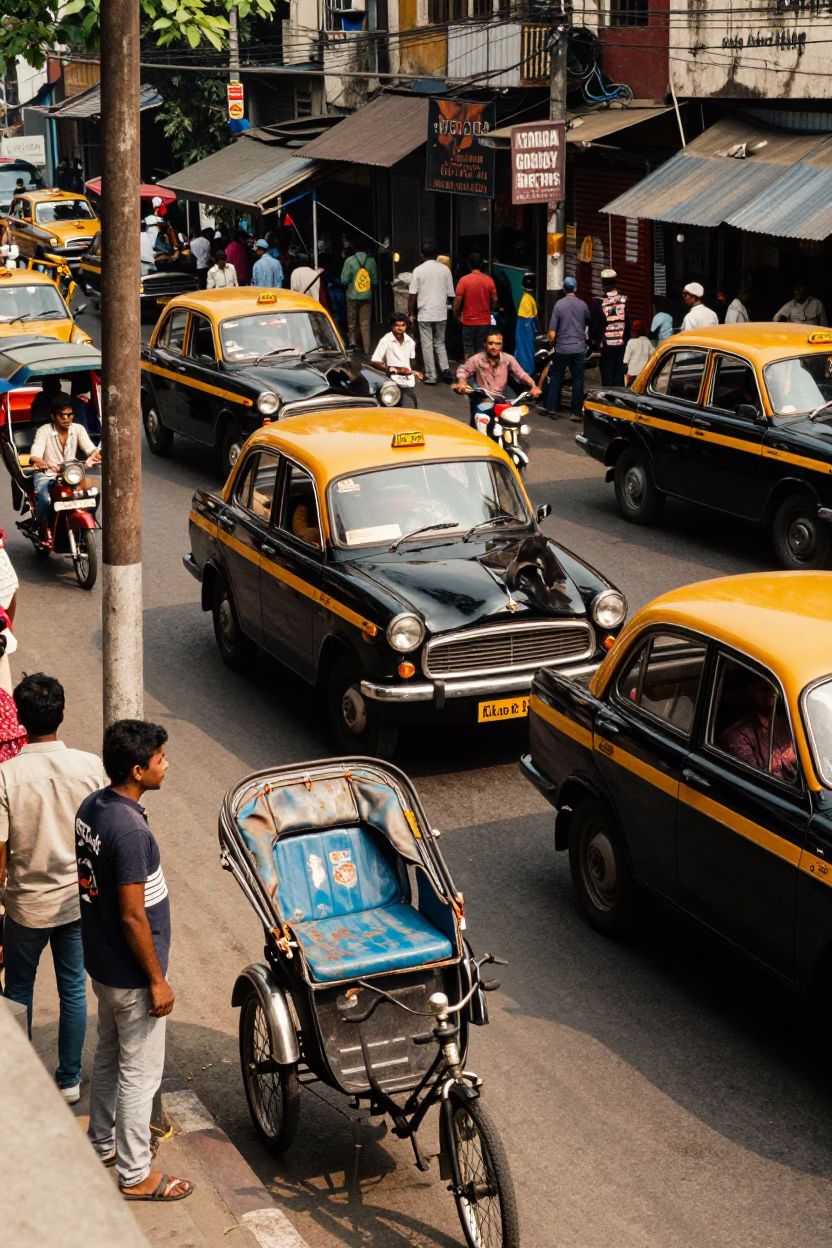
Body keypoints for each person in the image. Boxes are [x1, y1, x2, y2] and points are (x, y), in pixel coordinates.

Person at [78, 719, 193, 1203]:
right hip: (130, 975)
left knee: (107, 1054)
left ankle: (102, 1141)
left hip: (103, 964)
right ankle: (135, 1173)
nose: (166, 765)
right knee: (139, 1074)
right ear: (138, 769)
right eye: (160, 759)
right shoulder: (127, 831)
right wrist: (157, 981)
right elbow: (132, 916)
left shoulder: (94, 806)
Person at [0, 675, 106, 1104]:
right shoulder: (90, 766)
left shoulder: (7, 775)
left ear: (20, 720)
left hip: (26, 904)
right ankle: (68, 1079)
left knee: (18, 989)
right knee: (73, 990)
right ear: (62, 713)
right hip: (76, 902)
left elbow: (0, 850)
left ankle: (22, 1079)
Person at [30, 395, 101, 532]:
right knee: (45, 500)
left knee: (95, 491)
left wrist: (96, 455)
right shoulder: (44, 431)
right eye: (62, 415)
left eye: (70, 415)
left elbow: (90, 449)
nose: (66, 419)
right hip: (48, 474)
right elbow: (36, 454)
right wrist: (42, 463)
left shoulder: (78, 429)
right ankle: (42, 524)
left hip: (71, 474)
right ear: (53, 416)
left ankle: (88, 515)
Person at [453, 329, 541, 421]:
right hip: (482, 399)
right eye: (491, 343)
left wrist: (534, 386)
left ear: (501, 345)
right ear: (485, 345)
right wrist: (462, 382)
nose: (494, 347)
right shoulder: (477, 359)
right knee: (482, 420)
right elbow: (463, 369)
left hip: (502, 401)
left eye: (497, 344)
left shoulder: (508, 359)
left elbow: (521, 374)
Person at [721, 675, 797, 780]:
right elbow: (755, 780)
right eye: (764, 689)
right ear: (751, 691)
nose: (771, 694)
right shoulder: (738, 737)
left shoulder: (786, 722)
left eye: (774, 689)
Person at [542, 277, 590, 421]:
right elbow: (588, 322)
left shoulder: (559, 305)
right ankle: (576, 413)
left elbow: (552, 333)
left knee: (556, 377)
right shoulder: (583, 305)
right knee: (578, 380)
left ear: (564, 289)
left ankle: (551, 408)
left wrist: (553, 344)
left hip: (562, 348)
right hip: (579, 347)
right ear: (575, 289)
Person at [407, 241, 455, 385]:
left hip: (425, 313)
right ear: (436, 255)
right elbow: (450, 294)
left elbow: (412, 295)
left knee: (426, 344)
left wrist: (410, 313)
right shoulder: (445, 270)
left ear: (422, 255)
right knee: (440, 342)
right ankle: (445, 370)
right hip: (441, 312)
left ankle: (431, 376)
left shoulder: (418, 270)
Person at [372, 313, 423, 409]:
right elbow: (375, 360)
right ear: (392, 326)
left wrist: (415, 372)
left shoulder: (410, 342)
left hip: (408, 384)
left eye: (403, 325)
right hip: (391, 382)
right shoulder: (386, 340)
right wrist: (391, 368)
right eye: (397, 325)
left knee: (410, 411)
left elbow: (413, 361)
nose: (400, 328)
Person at [453, 253, 497, 360]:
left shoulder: (464, 280)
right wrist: (490, 310)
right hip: (484, 322)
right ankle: (481, 374)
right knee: (482, 349)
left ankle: (471, 375)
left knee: (469, 350)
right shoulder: (489, 280)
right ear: (482, 264)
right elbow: (495, 300)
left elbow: (458, 300)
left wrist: (456, 314)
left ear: (469, 264)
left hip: (468, 322)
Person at [591, 269, 629, 385]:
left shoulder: (601, 303)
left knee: (607, 376)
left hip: (607, 344)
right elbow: (627, 322)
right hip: (620, 344)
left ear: (603, 285)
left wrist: (595, 342)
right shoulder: (623, 300)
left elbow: (598, 325)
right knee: (618, 375)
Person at [341, 242, 378, 355]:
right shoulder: (371, 261)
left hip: (352, 296)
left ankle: (353, 346)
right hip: (367, 296)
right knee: (365, 324)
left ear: (354, 248)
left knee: (352, 323)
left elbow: (344, 280)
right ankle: (367, 350)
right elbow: (375, 281)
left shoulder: (349, 261)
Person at [513, 272, 538, 378]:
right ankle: (526, 370)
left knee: (523, 348)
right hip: (527, 324)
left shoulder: (526, 297)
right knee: (526, 348)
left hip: (524, 324)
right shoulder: (529, 298)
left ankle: (524, 370)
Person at [624, 320, 654, 386]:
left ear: (634, 332)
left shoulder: (631, 342)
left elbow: (626, 360)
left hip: (633, 374)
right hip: (644, 373)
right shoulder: (647, 341)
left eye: (632, 332)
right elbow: (653, 354)